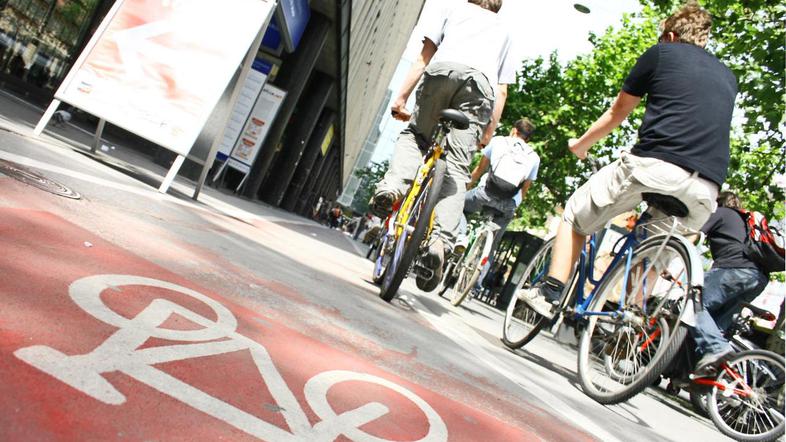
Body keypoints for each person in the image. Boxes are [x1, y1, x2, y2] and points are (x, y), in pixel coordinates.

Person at [519, 1, 737, 318]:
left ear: (672, 37)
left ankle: (550, 292)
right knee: (653, 246)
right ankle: (631, 315)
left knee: (574, 215)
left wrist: (580, 145)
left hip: (655, 167)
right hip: (707, 189)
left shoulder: (662, 54)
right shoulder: (728, 77)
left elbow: (618, 112)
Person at [370, 0, 518, 291]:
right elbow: (501, 90)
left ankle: (393, 187)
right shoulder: (507, 31)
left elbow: (424, 58)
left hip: (441, 74)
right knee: (457, 170)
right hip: (479, 88)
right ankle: (440, 243)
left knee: (415, 136)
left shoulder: (451, 9)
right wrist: (488, 132)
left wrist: (400, 98)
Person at [422, 118, 539, 292]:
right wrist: (514, 207)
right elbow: (524, 190)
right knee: (493, 243)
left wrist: (465, 188)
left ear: (514, 130)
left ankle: (460, 236)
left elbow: (479, 170)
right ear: (528, 138)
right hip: (508, 204)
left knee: (458, 206)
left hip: (485, 194)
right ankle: (475, 285)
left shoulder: (499, 141)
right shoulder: (534, 158)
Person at [693, 192, 770, 374]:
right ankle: (704, 376)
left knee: (693, 304)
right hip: (758, 278)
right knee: (717, 326)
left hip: (734, 270)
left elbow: (694, 236)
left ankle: (717, 349)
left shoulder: (721, 213)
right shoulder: (745, 220)